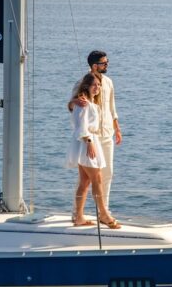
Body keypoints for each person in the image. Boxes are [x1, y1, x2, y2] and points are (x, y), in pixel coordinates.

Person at [66, 72, 120, 228]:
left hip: (87, 141)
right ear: (87, 87)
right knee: (97, 179)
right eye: (94, 85)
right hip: (87, 142)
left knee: (85, 181)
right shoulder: (83, 103)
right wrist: (89, 142)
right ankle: (104, 214)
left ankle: (79, 217)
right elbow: (81, 127)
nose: (97, 87)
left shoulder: (89, 103)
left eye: (98, 85)